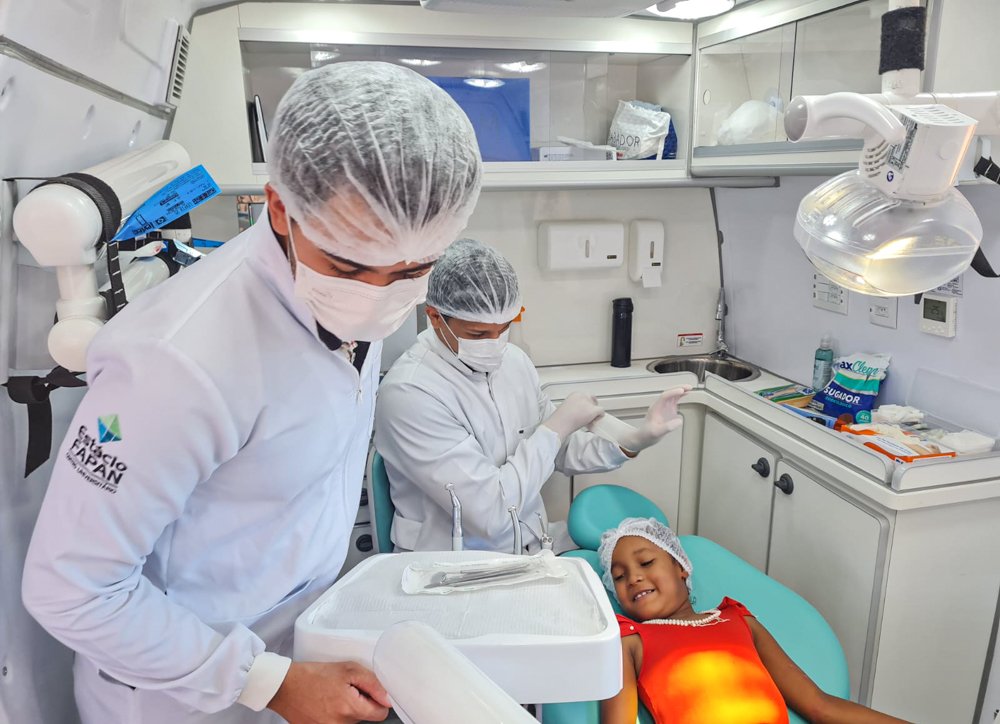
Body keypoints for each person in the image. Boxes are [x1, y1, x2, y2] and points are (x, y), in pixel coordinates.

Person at [21, 61, 482, 724]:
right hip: (174, 699)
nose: (378, 297)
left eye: (413, 271)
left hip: (293, 655)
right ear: (280, 208)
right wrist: (270, 682)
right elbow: (72, 588)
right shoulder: (180, 362)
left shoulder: (354, 289)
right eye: (349, 265)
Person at [374, 239, 689, 554]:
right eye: (478, 334)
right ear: (434, 317)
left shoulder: (513, 362)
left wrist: (631, 440)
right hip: (453, 563)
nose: (494, 343)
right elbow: (491, 514)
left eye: (503, 329)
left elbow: (559, 450)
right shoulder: (410, 394)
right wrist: (555, 428)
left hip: (530, 546)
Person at [599, 518, 910, 724]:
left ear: (681, 566)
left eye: (646, 562)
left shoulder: (737, 619)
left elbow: (819, 705)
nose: (634, 578)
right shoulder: (629, 640)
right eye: (619, 577)